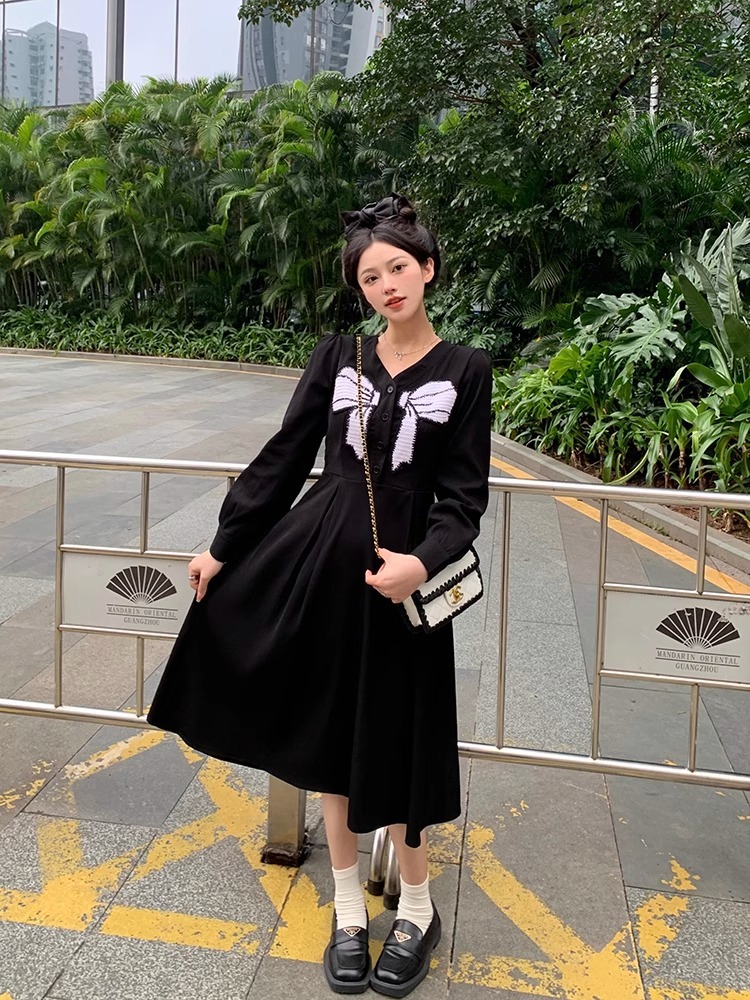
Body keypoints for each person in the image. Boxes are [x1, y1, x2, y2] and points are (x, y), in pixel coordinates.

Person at [147, 193, 492, 997]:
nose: (387, 285)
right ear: (359, 288)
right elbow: (285, 455)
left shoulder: (467, 369)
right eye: (370, 276)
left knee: (399, 742)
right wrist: (224, 546)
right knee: (329, 739)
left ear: (428, 269)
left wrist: (421, 563)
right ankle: (346, 907)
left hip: (400, 593)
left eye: (398, 268)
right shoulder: (340, 355)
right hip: (320, 572)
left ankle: (417, 908)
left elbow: (463, 498)